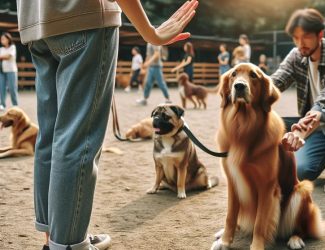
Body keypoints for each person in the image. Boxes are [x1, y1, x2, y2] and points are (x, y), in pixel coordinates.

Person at [16, 0, 199, 249]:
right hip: (84, 17)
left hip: (35, 23)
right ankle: (68, 244)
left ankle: (55, 238)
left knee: (50, 136)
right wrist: (151, 33)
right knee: (76, 139)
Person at [271, 8, 325, 193]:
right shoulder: (297, 55)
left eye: (305, 37)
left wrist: (299, 133)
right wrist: (247, 89)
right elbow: (274, 83)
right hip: (316, 130)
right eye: (295, 38)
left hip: (322, 117)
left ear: (320, 34)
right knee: (300, 170)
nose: (300, 43)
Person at [0, 32, 18, 111]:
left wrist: (2, 57)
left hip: (11, 71)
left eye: (3, 39)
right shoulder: (1, 49)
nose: (2, 40)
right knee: (2, 89)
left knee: (12, 88)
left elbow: (9, 56)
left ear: (8, 39)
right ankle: (2, 105)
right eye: (1, 39)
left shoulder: (12, 47)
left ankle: (15, 105)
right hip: (2, 71)